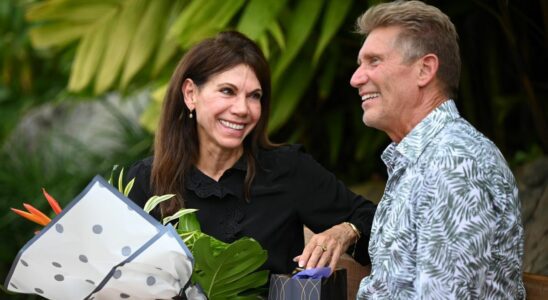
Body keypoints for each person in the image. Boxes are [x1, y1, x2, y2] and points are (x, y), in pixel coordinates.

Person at [126, 31, 376, 277]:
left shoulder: (287, 169)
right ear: (191, 94)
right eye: (227, 91)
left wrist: (345, 231)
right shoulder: (146, 180)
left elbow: (378, 222)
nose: (242, 109)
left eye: (254, 96)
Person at [349, 1, 525, 299]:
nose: (356, 79)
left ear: (425, 70)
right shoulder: (420, 159)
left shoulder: (455, 164)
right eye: (359, 64)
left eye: (374, 61)